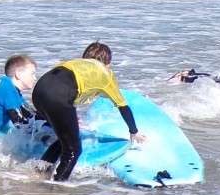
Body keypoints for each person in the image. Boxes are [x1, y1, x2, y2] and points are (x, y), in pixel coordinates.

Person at [31, 42, 146, 182]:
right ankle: (56, 187)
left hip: (39, 91)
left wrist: (69, 118)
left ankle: (38, 173)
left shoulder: (77, 63)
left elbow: (64, 87)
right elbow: (123, 107)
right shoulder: (105, 73)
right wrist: (133, 131)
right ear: (108, 63)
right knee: (73, 150)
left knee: (65, 141)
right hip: (58, 96)